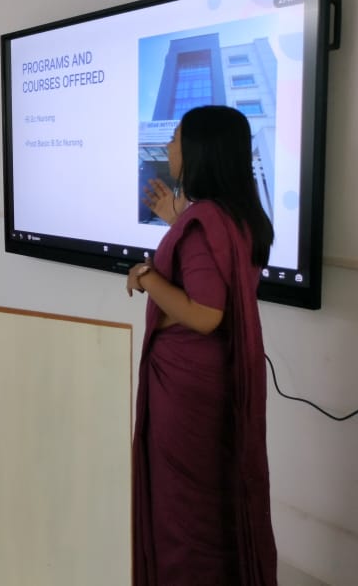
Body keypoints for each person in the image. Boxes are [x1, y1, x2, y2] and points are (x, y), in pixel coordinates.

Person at [127, 106, 277, 585]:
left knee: (183, 513)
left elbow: (206, 313)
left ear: (199, 151)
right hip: (211, 382)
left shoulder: (204, 222)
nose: (168, 146)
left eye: (175, 138)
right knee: (211, 505)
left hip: (187, 391)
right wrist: (177, 219)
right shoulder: (237, 216)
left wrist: (146, 276)